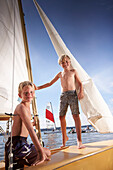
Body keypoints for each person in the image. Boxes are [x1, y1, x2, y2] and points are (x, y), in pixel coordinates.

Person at [34, 54, 85, 149]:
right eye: (63, 62)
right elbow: (50, 83)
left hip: (72, 94)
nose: (65, 63)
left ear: (69, 62)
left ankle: (79, 140)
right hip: (63, 96)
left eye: (66, 61)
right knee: (61, 117)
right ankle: (64, 138)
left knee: (76, 116)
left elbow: (80, 83)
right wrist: (38, 88)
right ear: (60, 64)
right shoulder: (60, 74)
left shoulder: (73, 71)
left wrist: (81, 92)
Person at [5, 81, 51, 170]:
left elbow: (24, 125)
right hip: (16, 145)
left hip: (22, 143)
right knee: (47, 152)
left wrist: (33, 123)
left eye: (31, 92)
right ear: (20, 95)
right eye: (25, 93)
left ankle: (22, 160)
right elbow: (30, 130)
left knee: (46, 152)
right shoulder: (21, 107)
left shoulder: (27, 107)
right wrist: (40, 153)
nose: (29, 95)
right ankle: (22, 159)